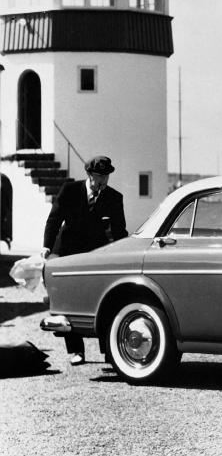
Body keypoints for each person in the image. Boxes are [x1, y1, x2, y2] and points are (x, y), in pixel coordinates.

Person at [41, 155, 128, 365]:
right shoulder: (69, 191)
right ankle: (76, 351)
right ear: (89, 174)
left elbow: (119, 231)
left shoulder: (114, 198)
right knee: (68, 299)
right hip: (68, 252)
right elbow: (54, 219)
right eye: (99, 176)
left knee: (103, 298)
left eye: (106, 176)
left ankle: (108, 351)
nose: (103, 181)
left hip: (94, 253)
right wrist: (47, 245)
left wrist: (124, 254)